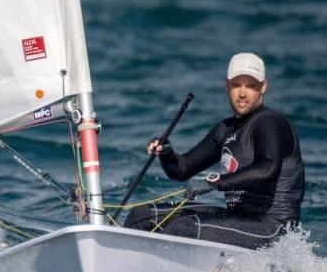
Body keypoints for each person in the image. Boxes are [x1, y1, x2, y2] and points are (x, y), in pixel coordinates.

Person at [123, 52, 305, 249]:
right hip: (238, 219)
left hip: (273, 226)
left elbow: (267, 169)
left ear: (263, 87)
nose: (242, 93)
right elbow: (182, 169)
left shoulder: (270, 122)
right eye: (236, 85)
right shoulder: (225, 129)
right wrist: (166, 153)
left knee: (183, 228)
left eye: (250, 86)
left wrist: (217, 182)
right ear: (227, 86)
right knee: (140, 216)